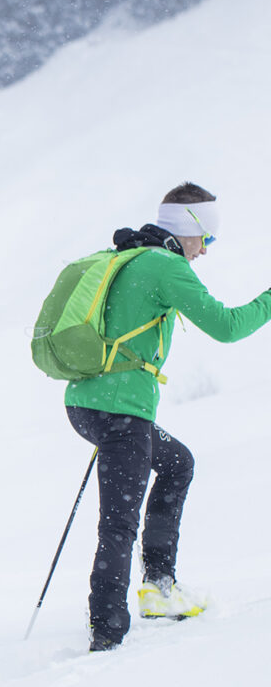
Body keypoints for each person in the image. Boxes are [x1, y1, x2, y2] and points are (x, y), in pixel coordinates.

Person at [64, 182, 271, 651]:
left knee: (177, 463)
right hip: (120, 410)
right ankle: (108, 631)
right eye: (208, 238)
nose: (206, 250)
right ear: (190, 228)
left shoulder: (132, 255)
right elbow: (228, 327)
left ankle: (158, 586)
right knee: (118, 521)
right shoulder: (167, 266)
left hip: (87, 401)